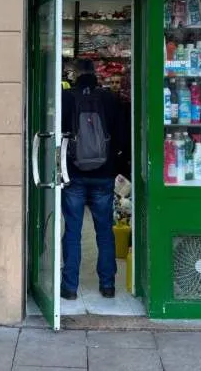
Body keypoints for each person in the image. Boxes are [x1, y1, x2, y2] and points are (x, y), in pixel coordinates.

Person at [60, 58, 129, 300]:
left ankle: (69, 288)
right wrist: (116, 164)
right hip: (103, 175)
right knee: (104, 232)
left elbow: (59, 136)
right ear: (95, 75)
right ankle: (108, 285)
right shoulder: (109, 99)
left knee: (72, 231)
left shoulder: (67, 98)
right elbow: (121, 137)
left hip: (74, 175)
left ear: (75, 75)